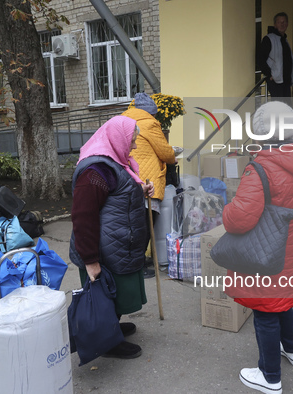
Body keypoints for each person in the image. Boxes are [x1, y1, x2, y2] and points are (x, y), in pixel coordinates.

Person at [223, 101, 293, 394]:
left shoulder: (262, 168)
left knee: (266, 310)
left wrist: (227, 210)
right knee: (281, 302)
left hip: (266, 255)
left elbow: (239, 220)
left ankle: (269, 377)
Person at [69, 115, 154, 359]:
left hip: (116, 245)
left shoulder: (114, 164)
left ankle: (112, 328)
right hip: (103, 249)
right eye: (133, 141)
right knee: (105, 294)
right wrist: (91, 259)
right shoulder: (95, 171)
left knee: (115, 293)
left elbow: (116, 194)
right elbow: (83, 216)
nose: (135, 146)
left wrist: (140, 189)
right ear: (118, 138)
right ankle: (106, 342)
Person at [122, 93, 177, 278]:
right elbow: (166, 153)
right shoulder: (149, 124)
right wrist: (173, 155)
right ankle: (139, 266)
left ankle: (136, 260)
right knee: (145, 224)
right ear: (150, 112)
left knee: (133, 223)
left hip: (127, 178)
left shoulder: (123, 119)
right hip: (147, 181)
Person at [257, 12, 293, 100]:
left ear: (287, 24)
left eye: (284, 22)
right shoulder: (269, 39)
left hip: (286, 81)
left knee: (285, 109)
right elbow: (260, 58)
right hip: (275, 80)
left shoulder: (284, 41)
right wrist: (269, 74)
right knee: (279, 108)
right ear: (275, 24)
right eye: (279, 22)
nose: (282, 24)